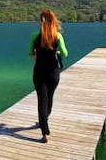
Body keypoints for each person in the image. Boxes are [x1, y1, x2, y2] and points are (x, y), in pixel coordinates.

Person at [29, 9, 68, 143]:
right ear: (53, 21)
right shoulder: (58, 36)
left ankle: (45, 131)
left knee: (42, 100)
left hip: (39, 72)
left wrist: (37, 51)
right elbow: (65, 54)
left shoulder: (35, 36)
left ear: (41, 21)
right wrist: (57, 53)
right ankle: (45, 119)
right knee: (49, 98)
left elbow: (31, 53)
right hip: (53, 73)